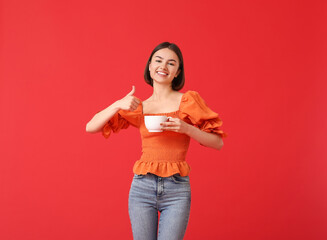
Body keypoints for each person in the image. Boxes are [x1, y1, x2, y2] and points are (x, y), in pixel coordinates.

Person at [86, 42, 226, 240]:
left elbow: (217, 143)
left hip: (177, 188)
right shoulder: (139, 107)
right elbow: (91, 127)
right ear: (150, 66)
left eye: (171, 63)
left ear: (177, 72)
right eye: (158, 61)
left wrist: (186, 128)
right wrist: (118, 104)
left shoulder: (188, 101)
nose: (163, 66)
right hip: (142, 186)